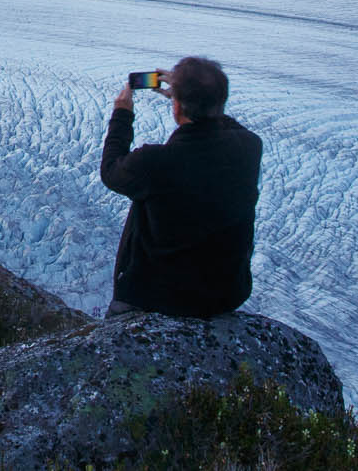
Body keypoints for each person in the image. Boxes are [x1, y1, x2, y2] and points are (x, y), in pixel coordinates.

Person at [100, 56, 261, 318]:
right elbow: (226, 125)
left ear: (176, 108)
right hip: (226, 295)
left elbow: (110, 172)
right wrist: (198, 104)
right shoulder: (251, 147)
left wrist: (122, 115)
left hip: (158, 299)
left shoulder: (154, 162)